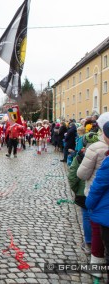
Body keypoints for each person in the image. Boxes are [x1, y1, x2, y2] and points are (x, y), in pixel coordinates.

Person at [86, 120, 109, 281]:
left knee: (98, 236)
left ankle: (96, 268)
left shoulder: (97, 150)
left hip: (104, 211)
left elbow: (98, 185)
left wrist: (89, 204)